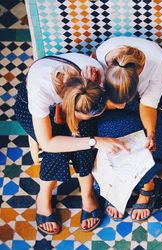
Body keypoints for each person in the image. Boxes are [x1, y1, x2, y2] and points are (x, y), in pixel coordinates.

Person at [14, 53, 128, 234]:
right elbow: (48, 143)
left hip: (74, 101)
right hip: (32, 109)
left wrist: (89, 138)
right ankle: (42, 197)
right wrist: (95, 141)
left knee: (83, 140)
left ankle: (87, 195)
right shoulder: (40, 90)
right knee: (57, 151)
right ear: (71, 110)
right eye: (82, 117)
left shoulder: (94, 78)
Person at [94, 36, 162, 221]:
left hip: (150, 105)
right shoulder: (102, 56)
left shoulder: (156, 62)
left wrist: (151, 133)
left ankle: (147, 184)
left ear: (139, 74)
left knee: (157, 144)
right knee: (113, 140)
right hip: (111, 105)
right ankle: (117, 186)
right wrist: (112, 103)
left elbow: (148, 104)